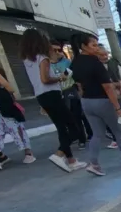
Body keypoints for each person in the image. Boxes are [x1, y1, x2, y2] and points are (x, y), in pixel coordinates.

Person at [70, 33, 121, 176]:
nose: (96, 48)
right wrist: (118, 108)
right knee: (119, 132)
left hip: (87, 102)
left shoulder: (75, 62)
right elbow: (108, 87)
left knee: (97, 134)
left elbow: (77, 83)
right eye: (93, 45)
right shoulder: (95, 63)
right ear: (83, 46)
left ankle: (93, 164)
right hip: (103, 101)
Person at [20, 28, 85, 172]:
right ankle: (59, 154)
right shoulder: (43, 58)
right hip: (52, 94)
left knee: (61, 127)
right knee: (73, 128)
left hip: (41, 96)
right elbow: (45, 79)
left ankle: (71, 160)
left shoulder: (27, 60)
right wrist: (60, 78)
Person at [51, 41, 92, 148]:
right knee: (68, 118)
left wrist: (80, 90)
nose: (56, 52)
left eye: (58, 50)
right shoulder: (46, 64)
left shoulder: (67, 62)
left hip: (71, 90)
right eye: (53, 50)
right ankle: (76, 136)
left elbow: (75, 74)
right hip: (58, 93)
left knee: (78, 115)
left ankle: (84, 137)